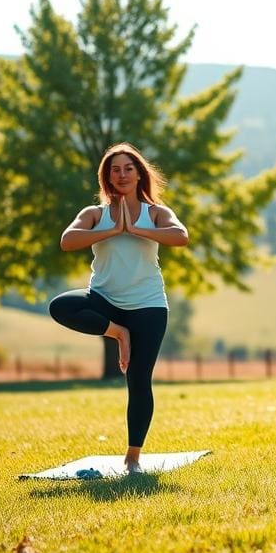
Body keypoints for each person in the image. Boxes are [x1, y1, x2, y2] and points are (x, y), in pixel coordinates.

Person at [49, 143, 188, 471]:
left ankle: (133, 458)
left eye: (128, 168)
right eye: (115, 169)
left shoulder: (155, 212)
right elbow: (67, 241)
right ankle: (118, 333)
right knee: (61, 306)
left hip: (148, 306)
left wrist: (135, 228)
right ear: (106, 177)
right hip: (104, 299)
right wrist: (112, 229)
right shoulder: (93, 214)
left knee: (139, 380)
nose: (122, 174)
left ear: (139, 173)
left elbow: (180, 236)